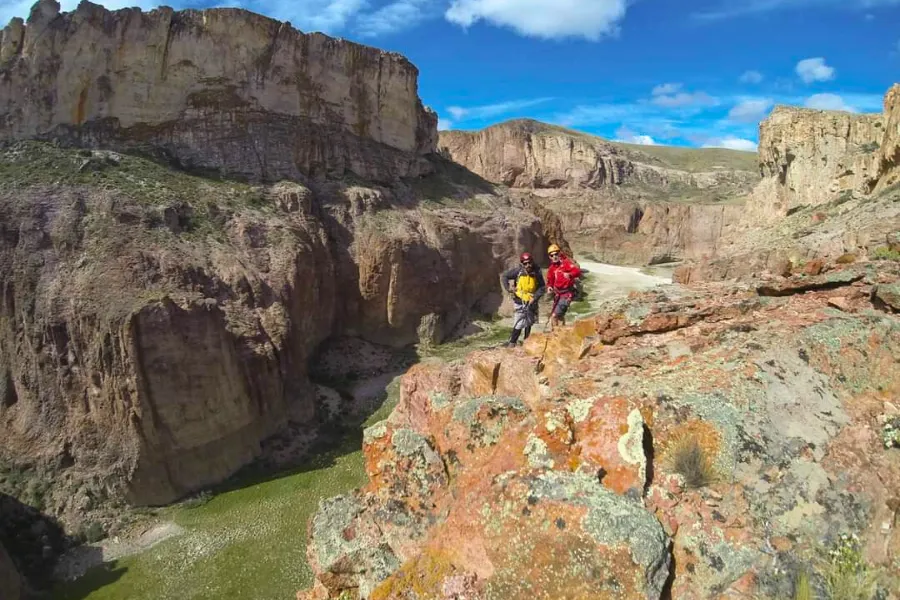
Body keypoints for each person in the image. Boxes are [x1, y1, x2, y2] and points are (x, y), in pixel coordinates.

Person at [500, 252, 546, 347]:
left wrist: (535, 297)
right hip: (519, 300)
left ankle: (526, 341)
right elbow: (504, 276)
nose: (528, 265)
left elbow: (542, 287)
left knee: (529, 322)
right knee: (519, 322)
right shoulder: (518, 271)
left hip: (531, 301)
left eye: (529, 262)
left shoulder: (537, 272)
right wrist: (509, 288)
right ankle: (512, 343)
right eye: (525, 263)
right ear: (522, 264)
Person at [545, 244, 582, 330]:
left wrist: (570, 274)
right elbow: (550, 281)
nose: (554, 256)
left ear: (559, 254)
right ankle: (561, 332)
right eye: (552, 255)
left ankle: (555, 334)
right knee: (560, 316)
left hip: (566, 294)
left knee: (555, 316)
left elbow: (577, 271)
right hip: (557, 295)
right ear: (550, 257)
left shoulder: (565, 264)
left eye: (556, 254)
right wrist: (549, 287)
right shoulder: (551, 268)